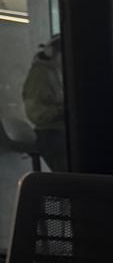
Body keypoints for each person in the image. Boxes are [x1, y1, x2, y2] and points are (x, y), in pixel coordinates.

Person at [22, 34, 66, 172]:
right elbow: (36, 113)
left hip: (59, 131)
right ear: (54, 53)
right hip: (51, 134)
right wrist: (62, 111)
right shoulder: (40, 75)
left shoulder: (56, 71)